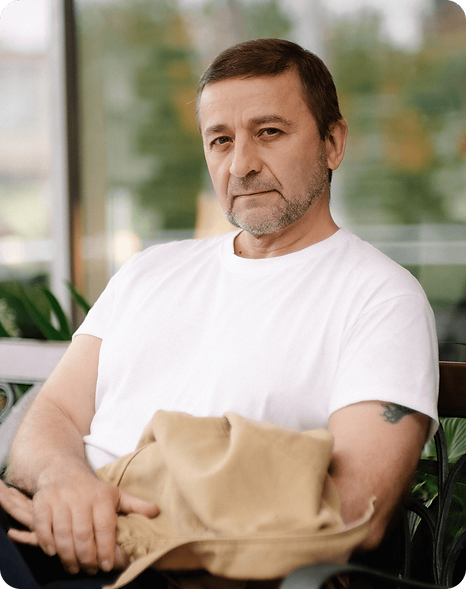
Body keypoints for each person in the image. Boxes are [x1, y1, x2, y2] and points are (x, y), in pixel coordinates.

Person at [0, 38, 438, 586]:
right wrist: (65, 483)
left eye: (269, 132)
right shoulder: (150, 271)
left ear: (333, 143)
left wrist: (129, 534)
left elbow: (356, 512)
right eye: (221, 140)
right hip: (45, 534)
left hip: (171, 567)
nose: (241, 165)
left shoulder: (381, 299)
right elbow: (53, 415)